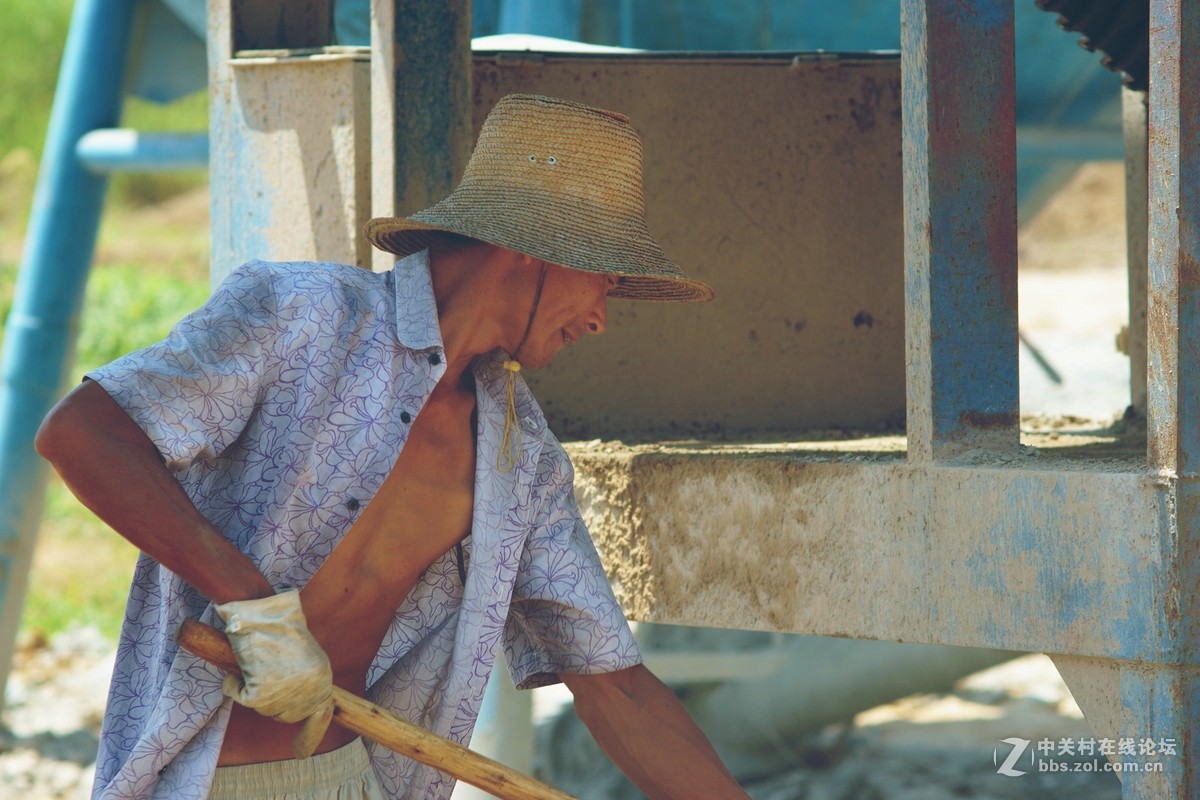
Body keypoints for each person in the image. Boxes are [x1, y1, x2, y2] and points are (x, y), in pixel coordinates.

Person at [36, 94, 747, 800]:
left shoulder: (520, 459)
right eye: (607, 279)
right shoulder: (301, 317)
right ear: (535, 251)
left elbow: (615, 685)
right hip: (206, 781)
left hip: (353, 780)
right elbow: (83, 436)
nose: (599, 320)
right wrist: (253, 607)